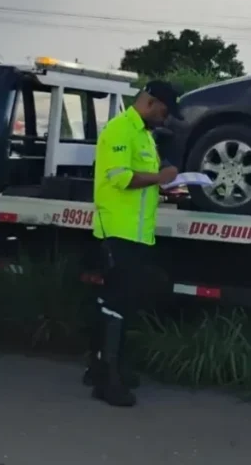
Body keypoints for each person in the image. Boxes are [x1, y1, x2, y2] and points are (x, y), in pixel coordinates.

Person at [84, 79, 182, 407]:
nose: (165, 119)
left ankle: (106, 368)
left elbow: (145, 177)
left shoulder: (144, 134)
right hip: (117, 231)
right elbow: (120, 178)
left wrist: (165, 182)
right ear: (150, 102)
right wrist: (160, 178)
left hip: (137, 232)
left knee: (123, 303)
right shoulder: (120, 129)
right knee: (115, 303)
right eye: (164, 112)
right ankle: (106, 381)